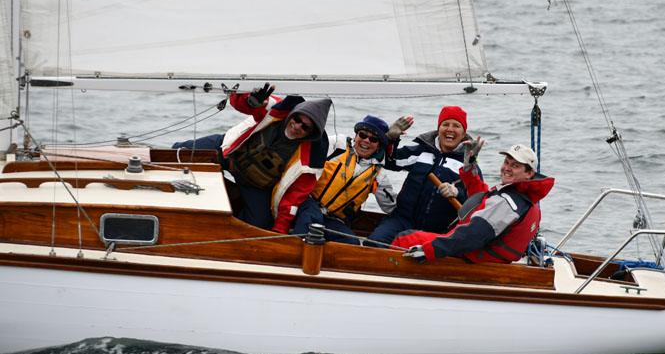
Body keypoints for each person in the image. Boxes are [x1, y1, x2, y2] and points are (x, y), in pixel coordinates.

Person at [172, 82, 331, 232]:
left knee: (258, 227)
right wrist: (251, 101)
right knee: (177, 153)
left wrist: (280, 231)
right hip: (230, 153)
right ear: (293, 114)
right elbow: (239, 102)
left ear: (311, 134)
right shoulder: (276, 107)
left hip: (257, 185)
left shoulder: (311, 158)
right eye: (297, 119)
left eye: (305, 127)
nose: (297, 126)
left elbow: (294, 196)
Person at [394, 142, 554, 264]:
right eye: (506, 162)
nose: (507, 168)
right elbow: (482, 199)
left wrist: (430, 250)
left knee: (405, 238)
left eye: (515, 166)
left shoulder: (507, 202)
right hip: (481, 254)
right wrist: (470, 167)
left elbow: (472, 236)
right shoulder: (524, 199)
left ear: (529, 174)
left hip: (473, 256)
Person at [366, 106, 482, 246]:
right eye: (445, 124)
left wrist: (457, 193)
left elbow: (477, 205)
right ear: (438, 129)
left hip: (437, 231)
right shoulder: (421, 151)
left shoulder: (468, 167)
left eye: (456, 125)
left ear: (464, 133)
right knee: (374, 244)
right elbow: (388, 161)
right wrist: (390, 138)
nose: (450, 129)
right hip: (402, 220)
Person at [292, 115, 398, 244]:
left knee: (351, 242)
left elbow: (390, 207)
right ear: (356, 135)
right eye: (362, 135)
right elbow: (305, 149)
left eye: (373, 139)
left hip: (334, 219)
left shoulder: (379, 174)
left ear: (379, 146)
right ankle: (291, 252)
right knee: (311, 218)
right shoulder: (337, 144)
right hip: (308, 202)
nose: (366, 141)